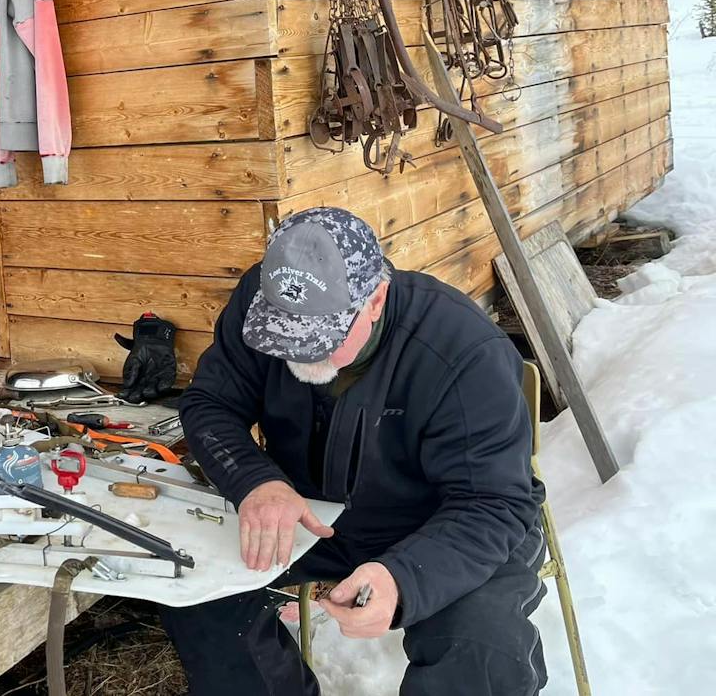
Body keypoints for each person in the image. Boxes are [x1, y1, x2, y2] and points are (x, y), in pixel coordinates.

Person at [163, 206, 546, 695]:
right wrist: (256, 481)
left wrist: (404, 579)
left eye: (320, 340)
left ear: (376, 300)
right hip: (311, 515)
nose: (300, 355)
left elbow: (494, 503)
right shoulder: (262, 295)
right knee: (194, 584)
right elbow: (211, 402)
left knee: (482, 646)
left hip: (448, 527)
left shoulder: (463, 350)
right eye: (284, 338)